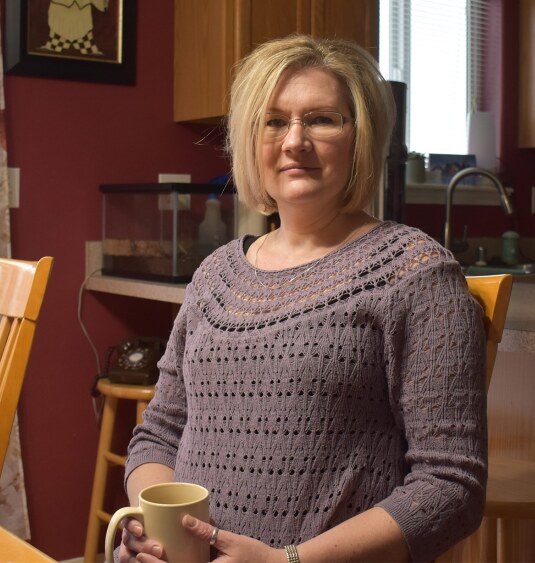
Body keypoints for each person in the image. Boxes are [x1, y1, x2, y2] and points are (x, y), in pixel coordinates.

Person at [119, 34, 487, 563]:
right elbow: (159, 433)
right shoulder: (214, 274)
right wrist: (151, 527)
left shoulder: (416, 274)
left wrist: (288, 561)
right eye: (274, 121)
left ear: (361, 138)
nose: (294, 141)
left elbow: (452, 486)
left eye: (321, 119)